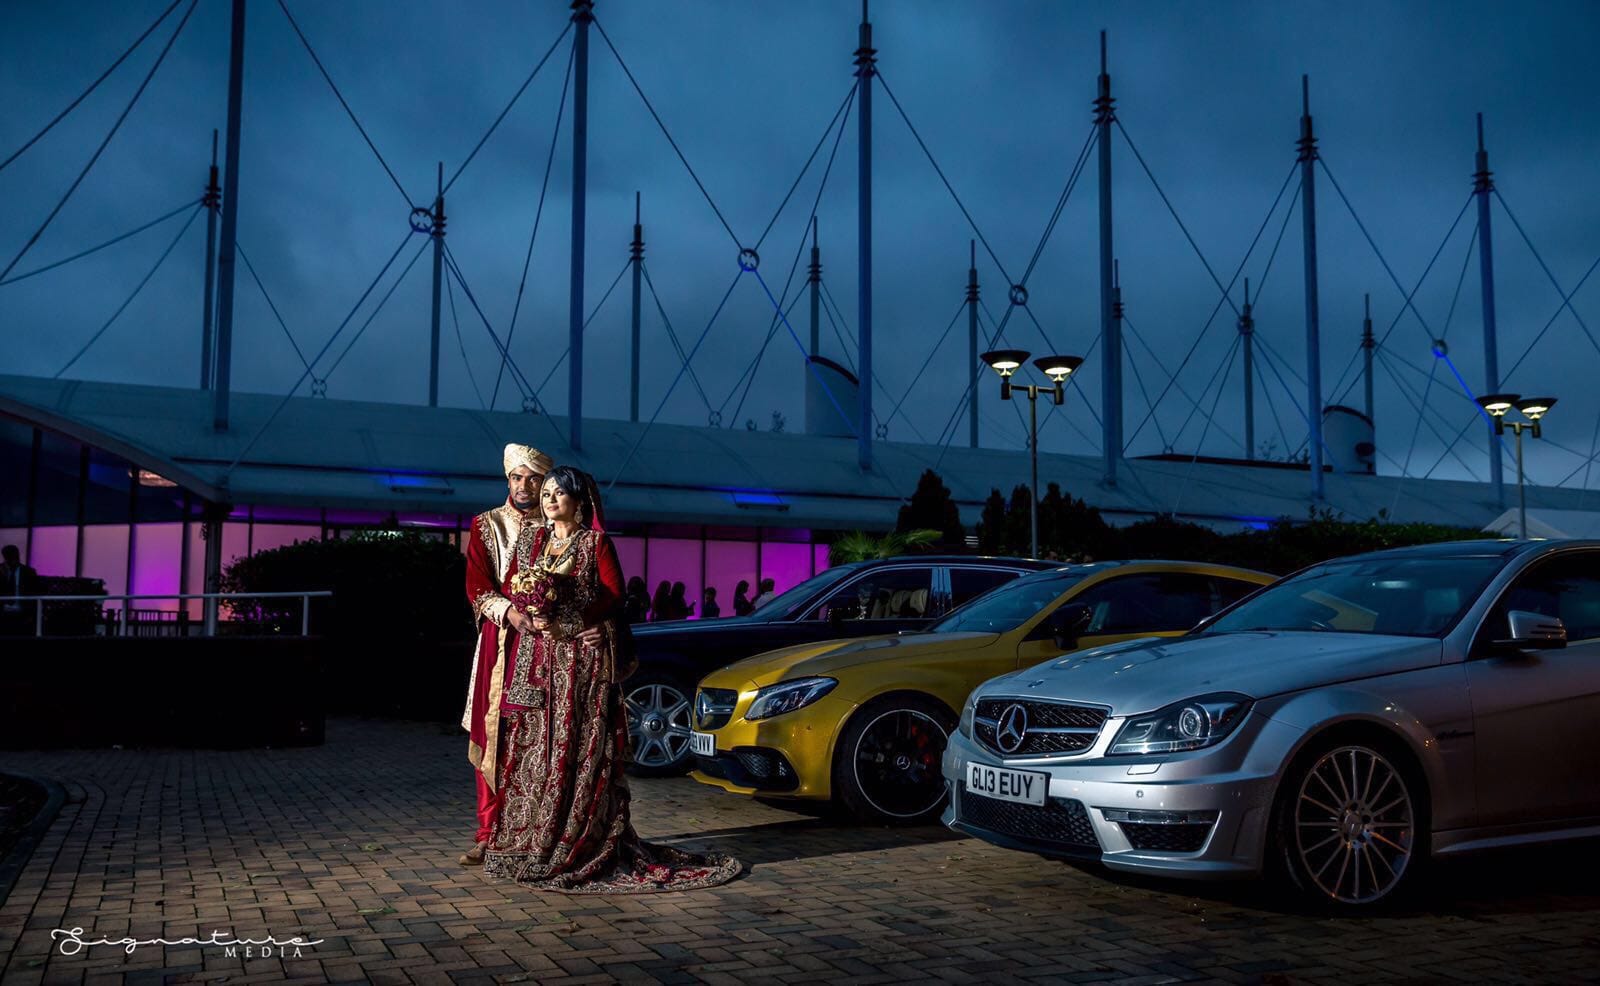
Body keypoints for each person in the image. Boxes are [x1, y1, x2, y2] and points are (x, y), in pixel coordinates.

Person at [482, 465, 741, 892]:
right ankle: (526, 839)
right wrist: (531, 610)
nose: (549, 499)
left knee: (576, 743)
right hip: (538, 657)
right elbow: (514, 585)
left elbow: (614, 595)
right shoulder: (533, 540)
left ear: (579, 503)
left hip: (580, 663)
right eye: (545, 493)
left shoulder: (595, 543)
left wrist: (586, 621)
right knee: (531, 747)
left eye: (558, 493)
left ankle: (573, 840)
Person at [459, 444, 602, 868]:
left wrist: (582, 622)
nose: (525, 487)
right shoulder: (487, 525)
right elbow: (477, 586)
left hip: (555, 647)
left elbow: (596, 588)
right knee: (493, 733)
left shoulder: (561, 524)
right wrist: (512, 613)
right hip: (501, 644)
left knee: (547, 737)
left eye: (534, 480)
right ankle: (489, 834)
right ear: (507, 481)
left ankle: (541, 830)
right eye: (517, 478)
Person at [2, 544, 39, 635]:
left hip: (22, 612)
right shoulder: (1, 571)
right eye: (9, 557)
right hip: (3, 611)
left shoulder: (28, 572)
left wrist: (30, 614)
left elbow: (35, 592)